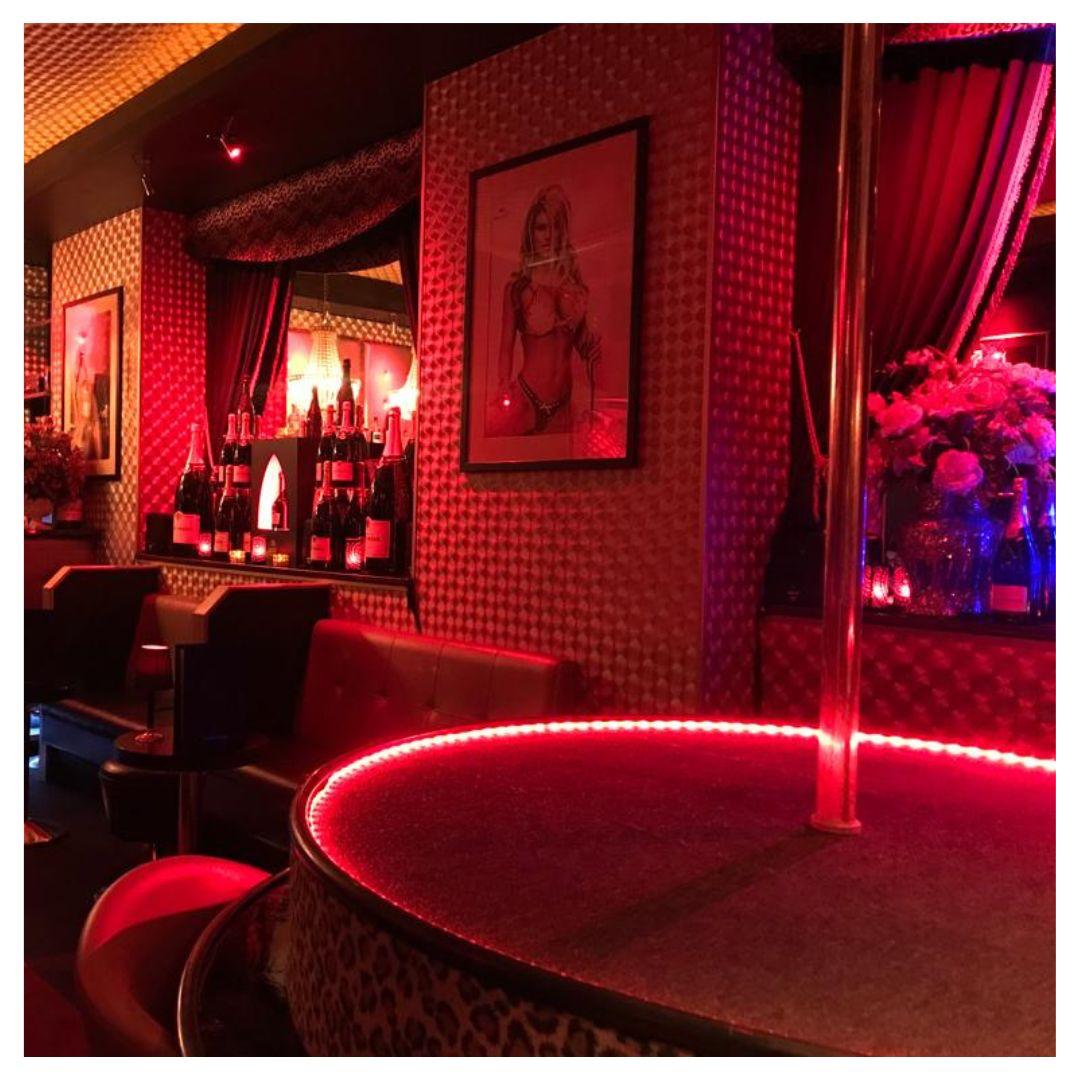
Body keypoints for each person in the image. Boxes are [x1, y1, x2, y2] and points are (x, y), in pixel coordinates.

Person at [489, 185, 601, 437]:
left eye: (555, 227)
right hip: (526, 398)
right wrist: (503, 384)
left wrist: (594, 345)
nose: (548, 236)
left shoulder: (574, 288)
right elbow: (505, 348)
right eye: (541, 228)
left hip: (564, 403)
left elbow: (584, 346)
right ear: (531, 232)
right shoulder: (518, 288)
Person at [69, 342, 102, 461]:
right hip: (81, 428)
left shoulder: (89, 394)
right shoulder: (77, 390)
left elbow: (90, 382)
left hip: (87, 427)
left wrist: (84, 361)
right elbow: (75, 378)